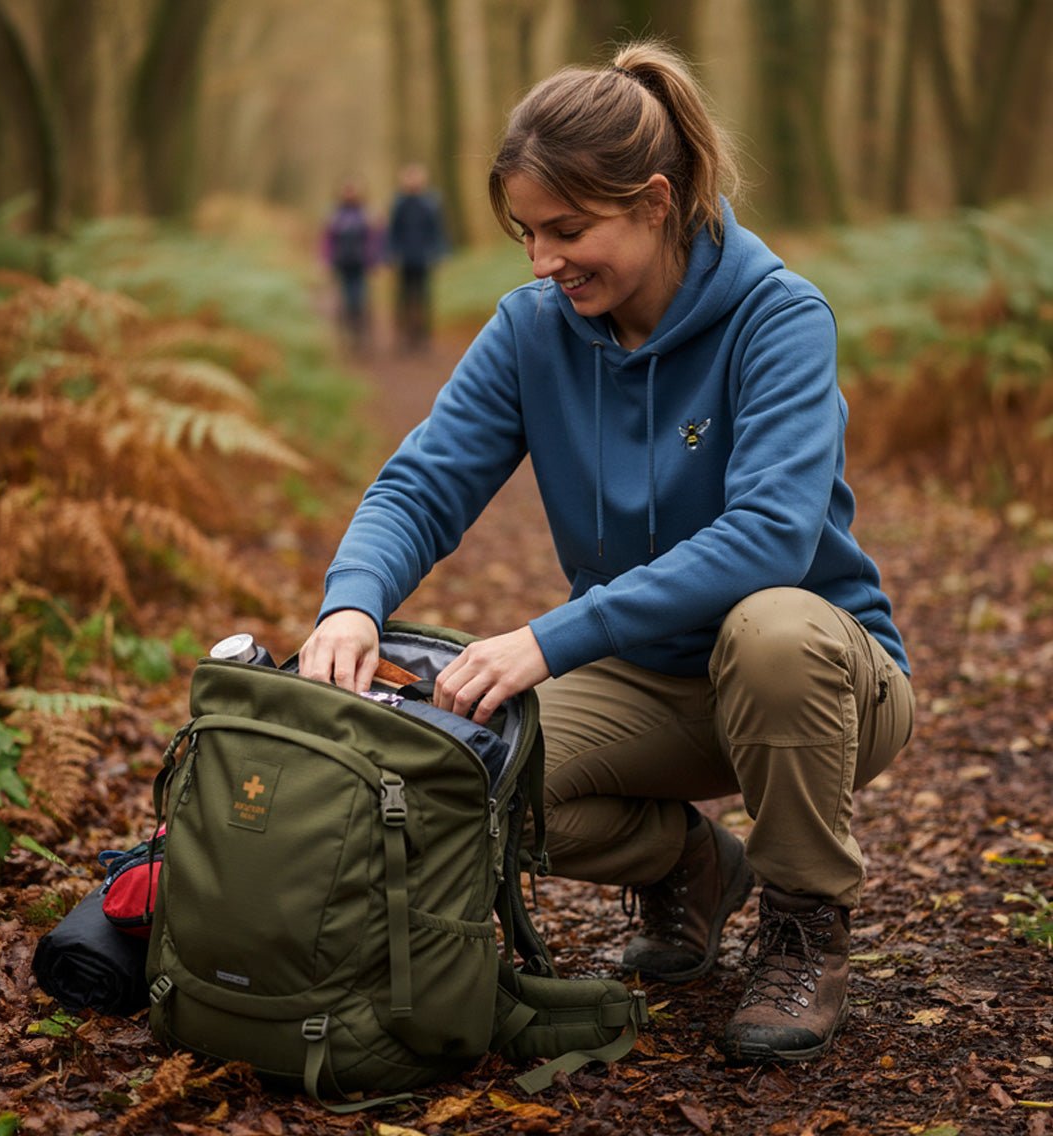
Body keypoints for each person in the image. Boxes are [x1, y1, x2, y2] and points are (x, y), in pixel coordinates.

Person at [299, 40, 914, 1066]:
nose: (543, 262)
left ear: (657, 202)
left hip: (821, 678)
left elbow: (770, 535)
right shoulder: (533, 329)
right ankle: (690, 869)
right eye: (527, 233)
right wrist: (351, 603)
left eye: (569, 230)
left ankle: (807, 927)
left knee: (769, 629)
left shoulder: (778, 317)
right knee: (460, 770)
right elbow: (421, 482)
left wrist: (550, 635)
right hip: (653, 681)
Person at [386, 163, 447, 351]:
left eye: (416, 177)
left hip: (423, 258)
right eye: (409, 178)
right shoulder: (399, 203)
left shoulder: (431, 203)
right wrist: (391, 253)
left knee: (424, 298)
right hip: (404, 259)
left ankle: (423, 337)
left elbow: (437, 230)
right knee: (403, 298)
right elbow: (393, 231)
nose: (413, 182)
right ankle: (404, 337)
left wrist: (438, 252)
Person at [323, 180, 382, 352]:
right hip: (342, 263)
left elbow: (375, 239)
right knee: (345, 301)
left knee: (360, 300)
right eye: (347, 191)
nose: (349, 194)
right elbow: (327, 240)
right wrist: (326, 260)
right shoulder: (335, 215)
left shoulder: (367, 214)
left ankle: (361, 336)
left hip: (361, 264)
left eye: (353, 191)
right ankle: (348, 337)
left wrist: (375, 260)